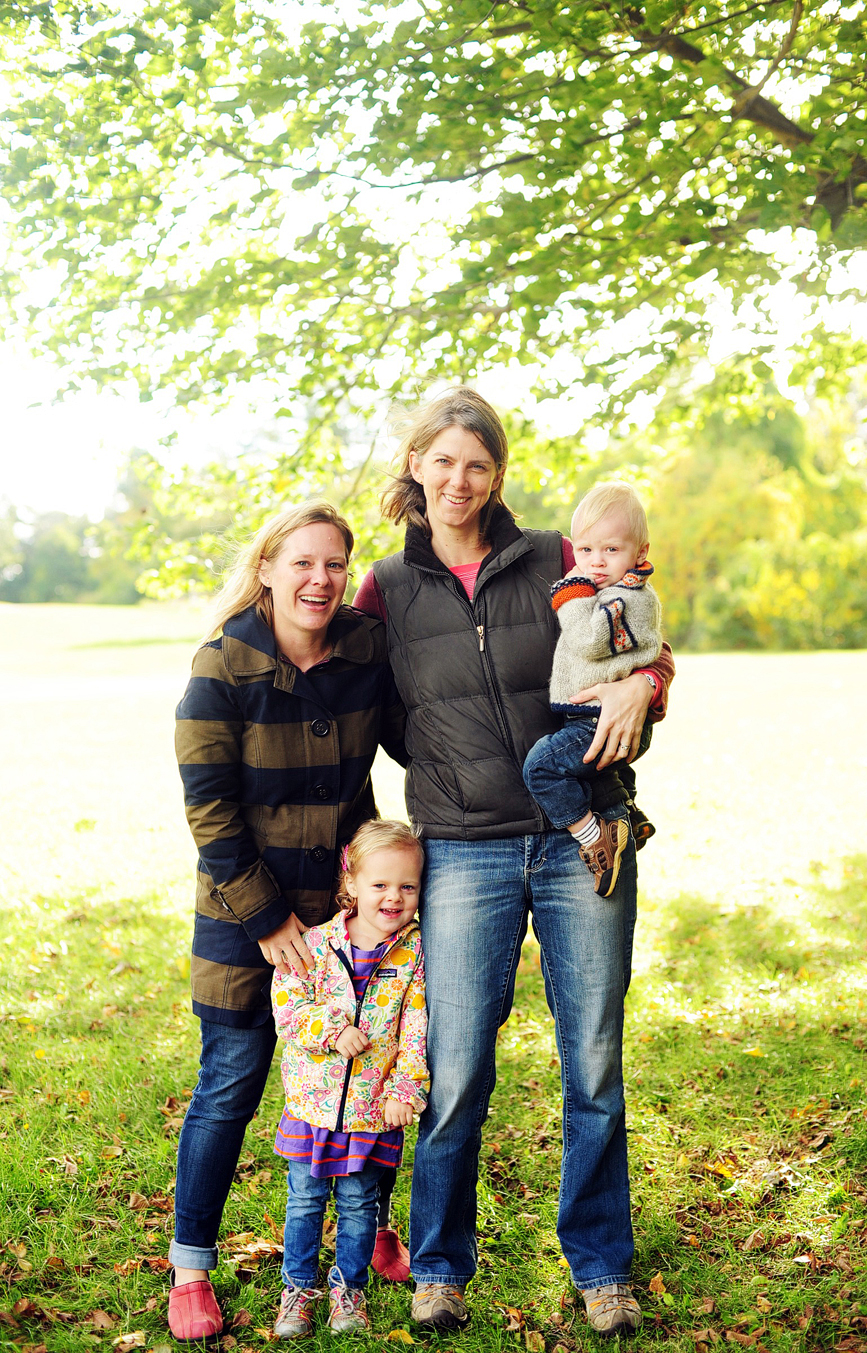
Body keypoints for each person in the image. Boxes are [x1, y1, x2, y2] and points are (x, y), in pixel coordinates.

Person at [353, 387, 675, 1338]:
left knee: (594, 1062)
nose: (459, 480)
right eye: (443, 460)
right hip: (462, 848)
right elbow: (351, 688)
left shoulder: (555, 558)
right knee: (455, 1068)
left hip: (583, 838)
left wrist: (648, 686)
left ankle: (602, 1266)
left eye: (478, 465)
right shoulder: (386, 587)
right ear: (416, 463)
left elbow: (640, 625)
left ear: (498, 474)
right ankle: (441, 1265)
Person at [169, 502, 409, 1343]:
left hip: (351, 918)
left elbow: (414, 735)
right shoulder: (221, 665)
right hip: (245, 916)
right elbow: (210, 810)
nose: (320, 579)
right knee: (231, 1082)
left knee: (369, 1075)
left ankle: (367, 1226)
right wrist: (271, 920)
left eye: (336, 565)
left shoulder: (364, 649)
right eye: (302, 563)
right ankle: (191, 1264)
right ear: (267, 568)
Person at [270, 818, 429, 1337]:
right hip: (312, 1106)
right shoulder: (314, 947)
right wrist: (331, 1030)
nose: (394, 897)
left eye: (407, 886)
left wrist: (405, 1090)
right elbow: (288, 1008)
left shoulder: (415, 957)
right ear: (351, 883)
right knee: (305, 1199)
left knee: (361, 1202)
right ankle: (298, 1288)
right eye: (380, 884)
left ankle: (348, 1291)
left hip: (370, 1109)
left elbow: (416, 1029)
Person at [522, 481, 662, 895]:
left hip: (601, 718)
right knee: (607, 774)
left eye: (611, 550)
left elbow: (587, 639)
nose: (595, 563)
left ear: (640, 552)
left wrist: (571, 594)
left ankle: (594, 837)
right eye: (585, 551)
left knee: (542, 768)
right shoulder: (611, 591)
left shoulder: (628, 600)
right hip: (588, 714)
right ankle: (629, 818)